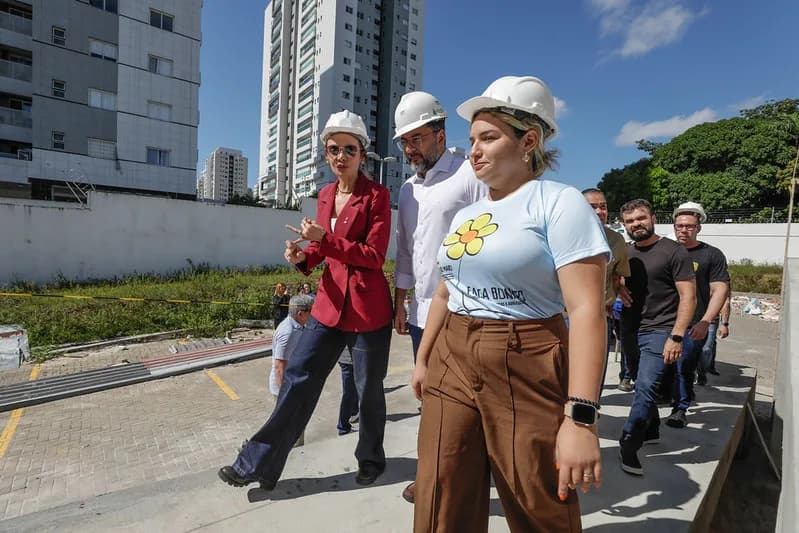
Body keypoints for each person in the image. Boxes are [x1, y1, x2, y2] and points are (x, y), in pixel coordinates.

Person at [412, 76, 609, 532]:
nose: (474, 151)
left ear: (529, 141)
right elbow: (446, 290)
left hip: (526, 354)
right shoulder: (469, 213)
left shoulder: (558, 204)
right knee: (440, 486)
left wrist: (580, 418)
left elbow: (585, 312)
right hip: (452, 356)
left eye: (488, 137)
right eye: (471, 140)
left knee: (534, 494)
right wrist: (424, 359)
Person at [218, 110, 393, 490]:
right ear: (326, 155)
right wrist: (304, 257)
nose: (341, 156)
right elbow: (322, 249)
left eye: (350, 148)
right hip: (328, 305)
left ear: (362, 153)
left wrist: (323, 241)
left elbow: (373, 256)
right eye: (334, 149)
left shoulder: (377, 196)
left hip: (367, 310)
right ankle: (258, 463)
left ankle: (370, 459)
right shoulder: (326, 195)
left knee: (367, 391)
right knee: (297, 379)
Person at [392, 90, 486, 503]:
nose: (410, 149)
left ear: (440, 133)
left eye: (416, 139)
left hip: (466, 312)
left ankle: (459, 474)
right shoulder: (408, 190)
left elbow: (489, 238)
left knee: (467, 401)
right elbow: (408, 250)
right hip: (422, 314)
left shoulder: (470, 175)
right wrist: (400, 299)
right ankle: (433, 474)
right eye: (404, 142)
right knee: (430, 398)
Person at [618, 199, 696, 476]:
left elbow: (688, 295)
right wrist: (617, 288)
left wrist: (676, 336)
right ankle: (650, 428)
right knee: (641, 381)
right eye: (630, 221)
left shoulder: (673, 251)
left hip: (660, 329)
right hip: (629, 329)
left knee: (647, 387)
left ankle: (628, 442)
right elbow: (615, 281)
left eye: (641, 218)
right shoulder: (625, 252)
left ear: (652, 218)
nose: (636, 224)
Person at [666, 202, 730, 426]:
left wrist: (706, 321)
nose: (683, 230)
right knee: (664, 367)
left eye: (689, 226)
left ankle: (679, 409)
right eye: (679, 226)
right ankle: (674, 397)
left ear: (698, 228)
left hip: (694, 323)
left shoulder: (711, 255)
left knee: (683, 366)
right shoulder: (666, 251)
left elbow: (720, 289)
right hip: (663, 321)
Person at [582, 188, 631, 388]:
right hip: (564, 316)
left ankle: (591, 411)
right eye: (592, 207)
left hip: (601, 316)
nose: (600, 211)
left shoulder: (616, 241)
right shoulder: (559, 234)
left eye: (603, 206)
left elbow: (617, 275)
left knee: (595, 371)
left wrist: (617, 294)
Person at [268, 294, 315, 397]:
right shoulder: (288, 332)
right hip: (285, 388)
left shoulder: (298, 326)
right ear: (300, 313)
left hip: (293, 383)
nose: (313, 314)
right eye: (311, 311)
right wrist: (284, 394)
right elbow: (279, 366)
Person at [698, 292, 731, 384]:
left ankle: (701, 373)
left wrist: (724, 324)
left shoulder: (720, 279)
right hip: (693, 318)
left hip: (711, 320)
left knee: (707, 348)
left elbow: (726, 302)